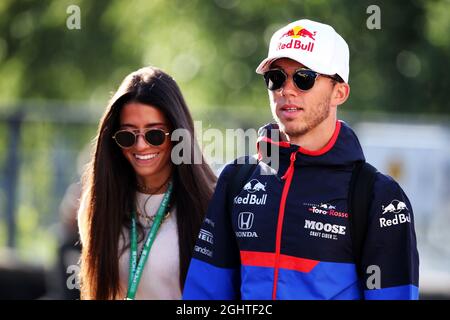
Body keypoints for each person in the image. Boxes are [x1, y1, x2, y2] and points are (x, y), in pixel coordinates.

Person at [183, 19, 419, 300]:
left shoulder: (378, 196)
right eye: (276, 77)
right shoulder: (236, 179)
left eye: (304, 77)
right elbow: (205, 297)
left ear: (339, 92)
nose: (287, 90)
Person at [77, 66, 216, 300]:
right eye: (127, 135)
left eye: (155, 134)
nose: (140, 146)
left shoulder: (212, 204)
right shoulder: (98, 205)